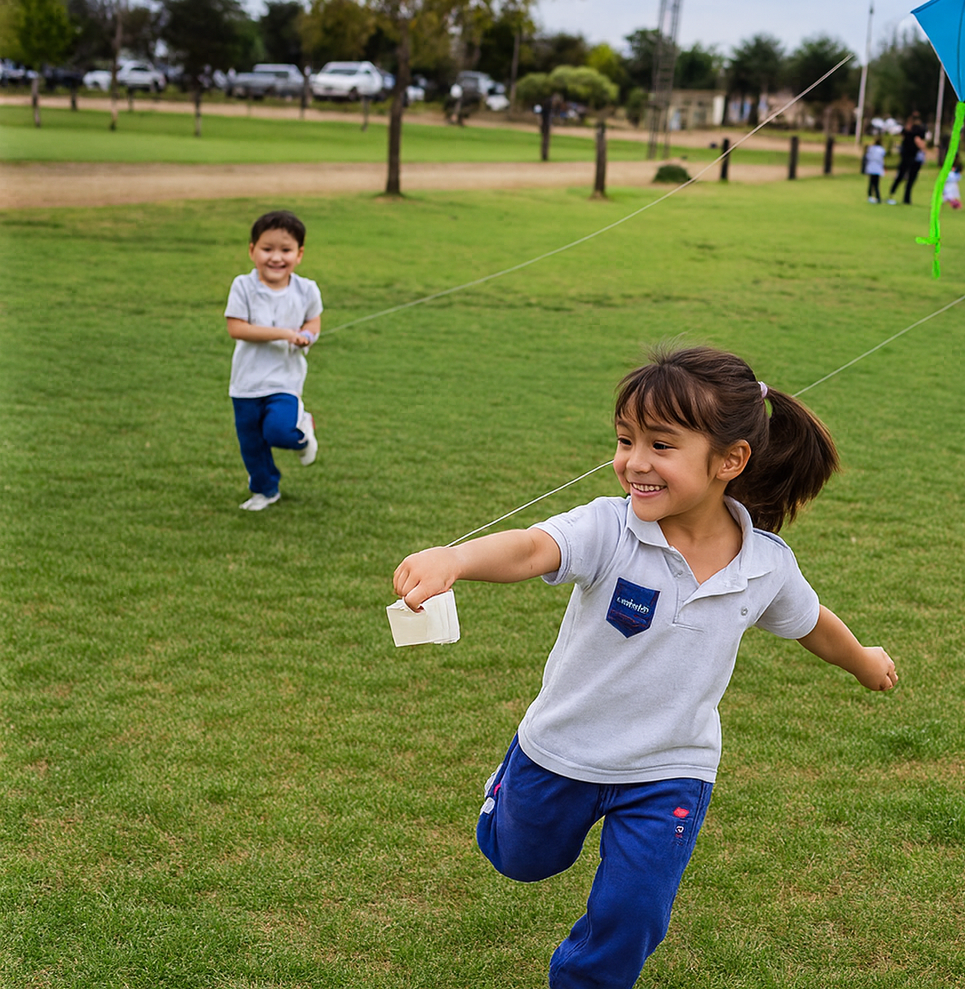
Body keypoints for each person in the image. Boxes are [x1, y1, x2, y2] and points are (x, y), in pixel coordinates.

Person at [392, 345, 899, 989]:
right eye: (626, 440)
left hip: (672, 769)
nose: (634, 463)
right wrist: (454, 559)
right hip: (563, 749)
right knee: (522, 861)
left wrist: (863, 662)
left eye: (661, 445)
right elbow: (529, 548)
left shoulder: (766, 563)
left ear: (730, 461)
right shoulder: (609, 528)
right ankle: (506, 796)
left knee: (634, 911)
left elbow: (812, 623)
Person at [224, 210, 320, 511]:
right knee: (252, 445)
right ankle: (266, 490)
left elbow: (313, 322)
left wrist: (307, 335)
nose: (276, 258)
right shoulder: (243, 286)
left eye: (286, 250)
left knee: (278, 431)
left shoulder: (307, 290)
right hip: (246, 383)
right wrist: (284, 334)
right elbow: (236, 328)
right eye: (267, 249)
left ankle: (303, 433)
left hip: (284, 381)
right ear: (252, 250)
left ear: (299, 254)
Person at [887, 113, 926, 205]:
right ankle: (906, 198)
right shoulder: (918, 130)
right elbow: (919, 141)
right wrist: (924, 151)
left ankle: (892, 194)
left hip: (907, 156)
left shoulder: (909, 129)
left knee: (901, 176)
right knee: (910, 179)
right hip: (913, 157)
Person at [862, 137, 886, 204]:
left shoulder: (871, 149)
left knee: (871, 183)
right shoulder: (881, 150)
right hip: (877, 168)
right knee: (876, 184)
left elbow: (867, 157)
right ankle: (878, 197)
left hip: (871, 167)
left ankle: (870, 196)